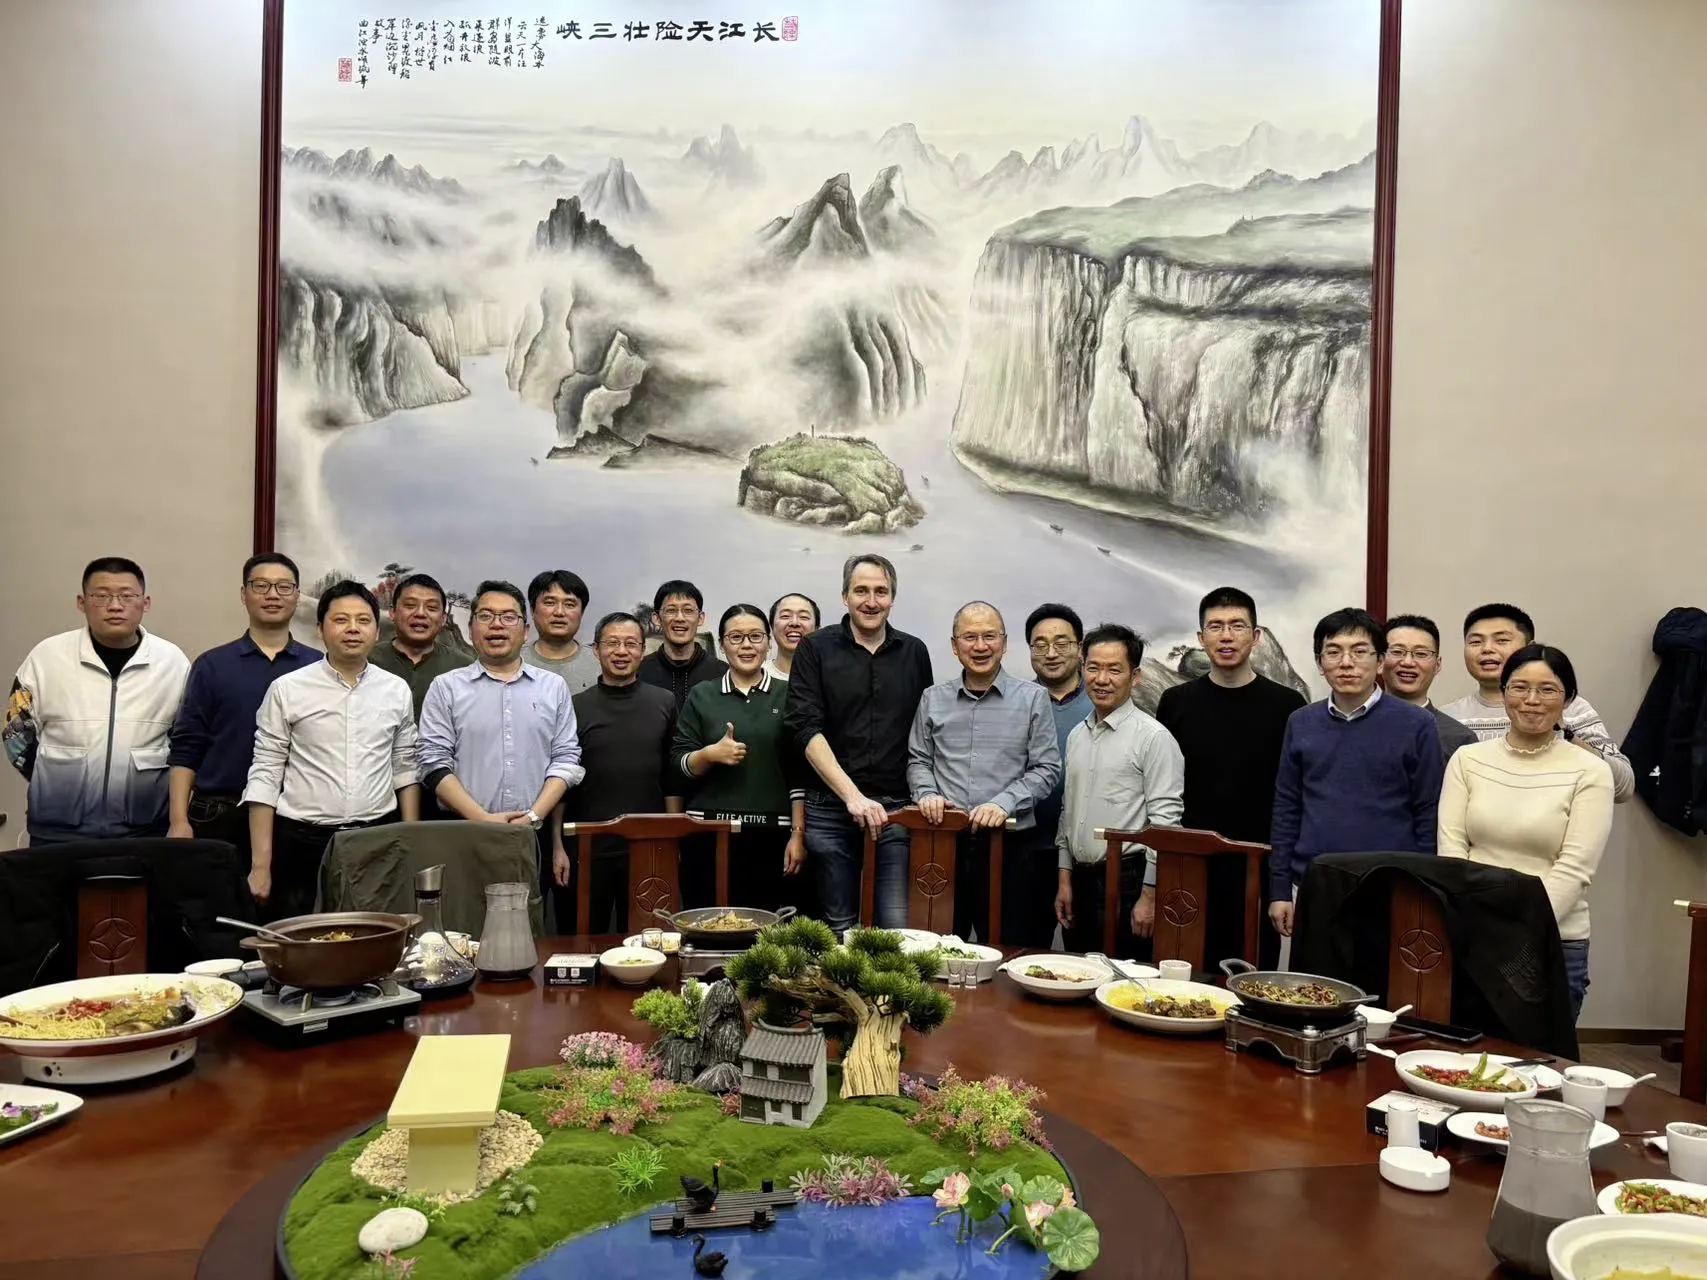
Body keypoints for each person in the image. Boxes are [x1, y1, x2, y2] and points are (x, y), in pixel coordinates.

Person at [1438, 645, 1613, 1020]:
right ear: (1503, 694)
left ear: (1567, 699)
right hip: (1474, 935)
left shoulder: (1590, 770)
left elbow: (1575, 867)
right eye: (1519, 688)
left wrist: (1516, 931)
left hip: (1554, 938)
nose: (1532, 701)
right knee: (1465, 1062)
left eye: (1547, 690)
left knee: (1542, 1068)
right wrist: (1477, 924)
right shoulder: (1468, 760)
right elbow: (1452, 851)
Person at [243, 581, 419, 917]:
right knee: (306, 950)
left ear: (376, 630)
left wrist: (409, 844)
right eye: (341, 620)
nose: (353, 629)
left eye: (363, 620)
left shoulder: (395, 690)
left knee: (374, 943)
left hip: (377, 837)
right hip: (302, 842)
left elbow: (405, 769)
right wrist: (261, 866)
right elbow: (265, 773)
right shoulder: (287, 689)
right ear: (320, 629)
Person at [1268, 608, 1444, 939]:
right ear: (1320, 664)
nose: (1346, 662)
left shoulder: (1417, 725)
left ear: (1380, 662)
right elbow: (1287, 807)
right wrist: (1279, 890)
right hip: (1312, 883)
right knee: (1313, 986)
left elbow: (1428, 812)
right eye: (1333, 652)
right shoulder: (1301, 722)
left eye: (1359, 651)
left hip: (1391, 885)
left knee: (1383, 988)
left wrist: (1421, 889)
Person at [1155, 587, 1306, 969]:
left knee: (1253, 980)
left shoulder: (1287, 707)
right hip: (1190, 868)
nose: (1226, 636)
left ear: (1256, 637)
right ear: (1201, 638)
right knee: (1184, 978)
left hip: (1255, 869)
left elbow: (1291, 799)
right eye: (1216, 626)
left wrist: (1280, 881)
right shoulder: (1176, 702)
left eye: (1237, 626)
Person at [784, 554, 933, 931]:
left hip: (895, 809)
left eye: (881, 591)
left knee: (898, 929)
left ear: (892, 598)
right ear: (845, 596)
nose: (871, 601)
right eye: (861, 590)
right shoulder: (815, 648)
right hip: (829, 810)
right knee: (838, 930)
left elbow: (924, 732)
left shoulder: (914, 652)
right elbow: (804, 728)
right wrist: (852, 796)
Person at [5, 556, 190, 844]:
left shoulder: (172, 662)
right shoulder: (46, 657)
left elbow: (186, 740)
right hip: (56, 831)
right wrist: (52, 781)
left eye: (127, 596)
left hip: (146, 829)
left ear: (146, 602)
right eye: (101, 596)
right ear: (81, 602)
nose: (115, 606)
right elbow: (16, 732)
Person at [417, 581, 583, 903]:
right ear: (470, 629)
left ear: (525, 630)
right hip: (465, 832)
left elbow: (565, 759)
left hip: (532, 835)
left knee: (529, 931)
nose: (496, 625)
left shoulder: (553, 687)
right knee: (466, 929)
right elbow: (432, 762)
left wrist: (533, 817)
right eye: (486, 615)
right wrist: (482, 819)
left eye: (509, 617)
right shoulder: (446, 688)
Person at [908, 602, 1060, 941]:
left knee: (1008, 948)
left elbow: (1046, 769)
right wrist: (927, 794)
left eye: (989, 636)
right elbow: (919, 760)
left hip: (1010, 846)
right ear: (954, 646)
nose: (980, 646)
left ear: (1004, 643)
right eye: (970, 637)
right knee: (937, 949)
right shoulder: (932, 699)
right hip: (943, 843)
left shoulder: (1034, 698)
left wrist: (1004, 803)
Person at [166, 554, 317, 856]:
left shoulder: (317, 666)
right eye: (261, 585)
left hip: (296, 815)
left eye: (284, 587)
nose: (272, 594)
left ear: (297, 596)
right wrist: (178, 820)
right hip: (219, 813)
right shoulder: (212, 665)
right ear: (243, 594)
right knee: (220, 902)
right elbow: (186, 747)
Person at [1054, 624, 1184, 956]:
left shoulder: (1153, 738)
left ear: (1135, 676)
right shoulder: (1077, 736)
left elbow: (1166, 826)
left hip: (1129, 882)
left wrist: (1150, 896)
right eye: (1094, 668)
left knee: (1122, 988)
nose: (1102, 679)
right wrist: (1065, 879)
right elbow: (1068, 813)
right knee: (1076, 980)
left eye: (1115, 670)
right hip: (1080, 882)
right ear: (1083, 670)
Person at [675, 604, 808, 913]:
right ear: (722, 645)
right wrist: (710, 754)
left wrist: (798, 835)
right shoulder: (702, 695)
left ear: (768, 643)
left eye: (755, 636)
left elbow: (799, 774)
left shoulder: (789, 695)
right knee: (709, 927)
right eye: (735, 637)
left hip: (773, 836)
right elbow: (678, 764)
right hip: (708, 836)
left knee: (768, 937)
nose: (746, 645)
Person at [1440, 603, 1635, 802]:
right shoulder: (1446, 718)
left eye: (1502, 640)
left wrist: (1566, 733)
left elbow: (1623, 787)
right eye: (1475, 642)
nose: (1487, 649)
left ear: (1529, 647)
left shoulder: (1572, 707)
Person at [567, 611, 683, 933]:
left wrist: (673, 839)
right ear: (596, 650)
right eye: (612, 643)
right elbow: (563, 778)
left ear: (642, 651)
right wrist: (560, 846)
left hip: (649, 847)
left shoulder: (664, 702)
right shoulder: (576, 705)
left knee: (648, 941)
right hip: (589, 848)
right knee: (587, 941)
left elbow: (672, 776)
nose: (621, 651)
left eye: (631, 644)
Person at [1019, 602, 1092, 948]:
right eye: (1040, 644)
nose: (1051, 653)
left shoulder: (1103, 702)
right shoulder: (1016, 702)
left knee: (1087, 957)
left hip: (1086, 859)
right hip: (1026, 852)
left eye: (1062, 643)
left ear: (1079, 649)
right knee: (1022, 952)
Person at [1381, 614, 1478, 763]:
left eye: (1421, 654)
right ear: (1379, 659)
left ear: (1437, 665)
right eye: (1397, 652)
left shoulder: (1459, 738)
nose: (1408, 662)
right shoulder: (1356, 724)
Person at [369, 573, 467, 718]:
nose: (420, 613)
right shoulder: (367, 660)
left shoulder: (464, 668)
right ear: (392, 612)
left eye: (432, 608)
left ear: (443, 619)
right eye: (410, 605)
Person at [638, 580, 727, 710]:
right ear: (657, 618)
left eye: (688, 610)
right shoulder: (639, 673)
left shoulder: (723, 674)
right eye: (671, 610)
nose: (680, 618)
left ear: (700, 618)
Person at [523, 568, 600, 694]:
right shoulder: (512, 663)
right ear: (532, 610)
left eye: (569, 604)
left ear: (582, 612)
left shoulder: (602, 663)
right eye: (549, 603)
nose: (559, 612)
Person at [766, 593, 820, 681]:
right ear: (772, 627)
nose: (794, 623)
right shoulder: (756, 675)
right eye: (785, 616)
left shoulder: (830, 676)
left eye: (804, 617)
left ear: (817, 629)